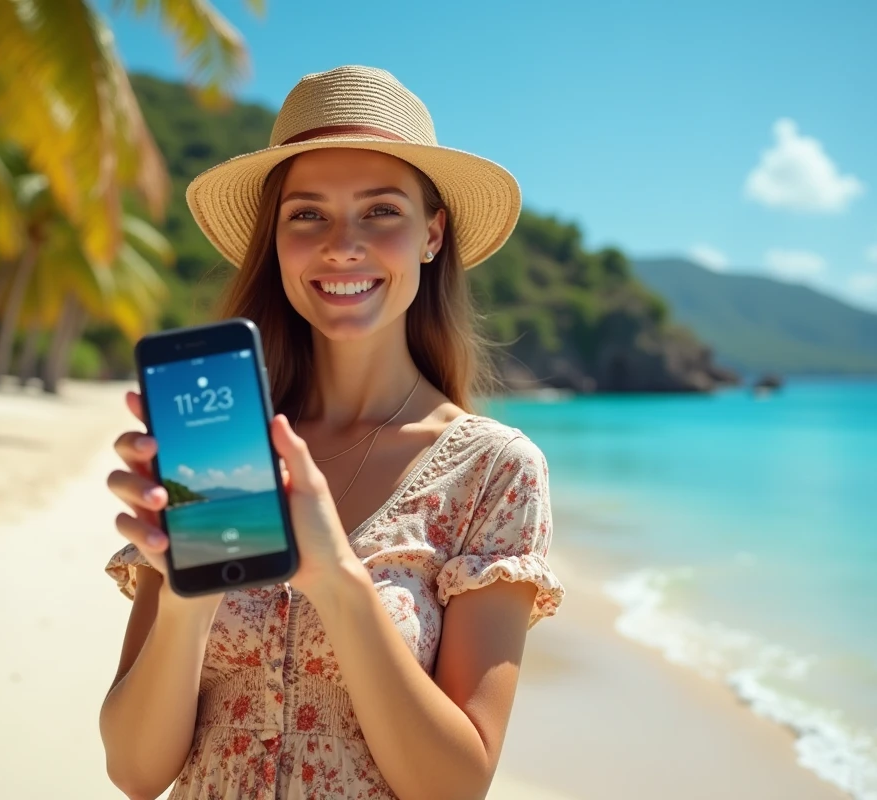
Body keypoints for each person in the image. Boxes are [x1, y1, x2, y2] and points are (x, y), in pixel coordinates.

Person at [99, 65, 564, 800]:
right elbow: (135, 771)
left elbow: (455, 787)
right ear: (277, 241)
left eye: (381, 211)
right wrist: (190, 592)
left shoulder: (493, 472)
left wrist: (339, 582)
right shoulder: (222, 446)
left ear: (432, 234)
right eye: (307, 215)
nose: (342, 244)